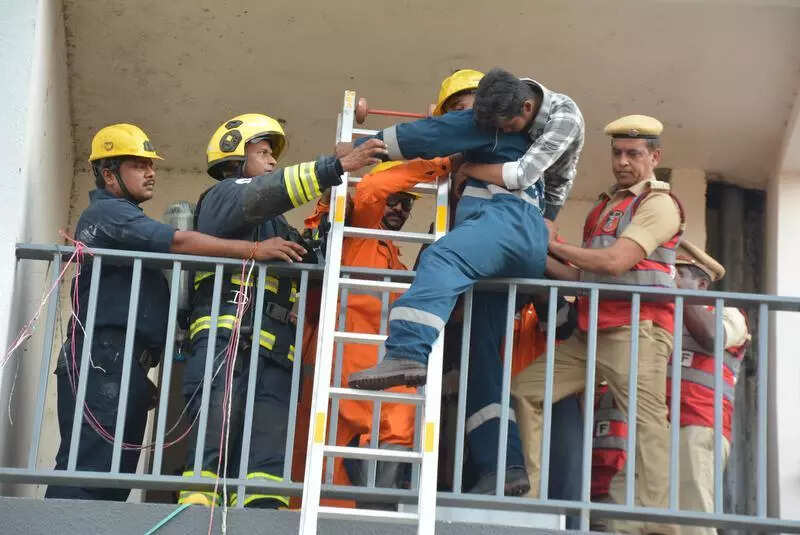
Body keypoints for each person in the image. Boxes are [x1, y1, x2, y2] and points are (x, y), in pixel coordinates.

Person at [348, 67, 585, 495]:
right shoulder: (519, 127)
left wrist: (355, 148)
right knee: (481, 355)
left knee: (441, 256)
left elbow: (426, 136)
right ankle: (504, 466)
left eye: (468, 106)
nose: (467, 113)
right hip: (514, 249)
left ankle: (405, 351)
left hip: (502, 227)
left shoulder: (482, 126)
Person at [45, 123, 311, 501]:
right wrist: (255, 251)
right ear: (109, 174)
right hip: (104, 359)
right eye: (139, 165)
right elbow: (179, 241)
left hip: (124, 364)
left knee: (112, 477)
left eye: (150, 164)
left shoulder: (121, 217)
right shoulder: (108, 214)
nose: (151, 172)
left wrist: (141, 373)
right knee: (89, 470)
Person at [178, 114, 386, 508]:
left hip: (273, 348)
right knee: (215, 433)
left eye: (273, 155)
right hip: (227, 337)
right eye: (263, 153)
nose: (272, 161)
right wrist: (335, 166)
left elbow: (310, 256)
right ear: (234, 159)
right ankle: (197, 507)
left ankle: (264, 507)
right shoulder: (224, 195)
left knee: (268, 442)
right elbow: (264, 192)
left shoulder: (276, 225)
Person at [513, 114, 683, 534]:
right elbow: (582, 278)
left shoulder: (659, 202)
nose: (623, 161)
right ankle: (529, 504)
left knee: (647, 428)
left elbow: (614, 261)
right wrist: (534, 253)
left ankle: (655, 523)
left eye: (634, 153)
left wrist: (553, 245)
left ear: (654, 157)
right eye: (617, 152)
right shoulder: (605, 206)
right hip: (591, 333)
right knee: (525, 392)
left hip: (637, 331)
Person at [665, 240, 749, 534]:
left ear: (700, 284)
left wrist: (678, 295)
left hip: (699, 424)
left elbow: (712, 337)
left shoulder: (729, 313)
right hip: (654, 428)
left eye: (676, 273)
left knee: (692, 517)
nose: (668, 278)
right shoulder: (663, 314)